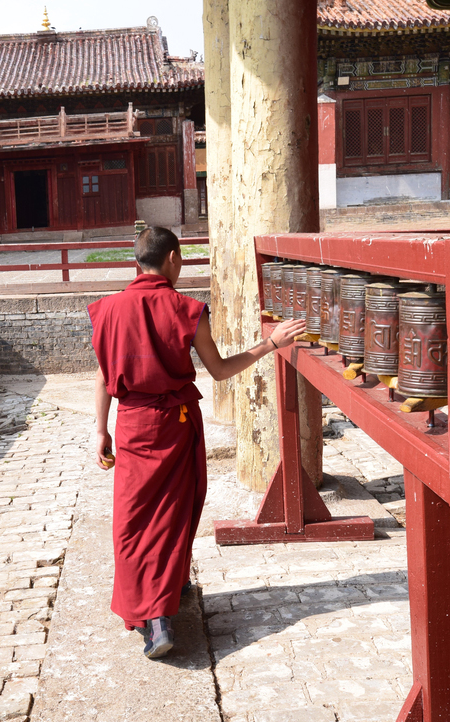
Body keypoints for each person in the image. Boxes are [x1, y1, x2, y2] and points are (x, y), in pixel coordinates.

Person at [88, 226, 307, 658]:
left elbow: (102, 376)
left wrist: (100, 429)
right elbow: (220, 371)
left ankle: (162, 597)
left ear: (137, 261)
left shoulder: (109, 310)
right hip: (175, 423)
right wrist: (271, 343)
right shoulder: (186, 309)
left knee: (133, 521)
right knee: (172, 513)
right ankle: (158, 619)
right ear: (173, 258)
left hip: (132, 425)